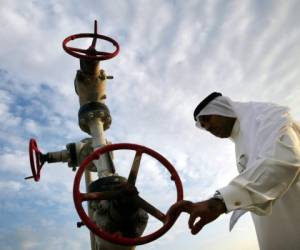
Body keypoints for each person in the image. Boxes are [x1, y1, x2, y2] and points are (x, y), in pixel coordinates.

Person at [168, 92, 300, 250]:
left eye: (208, 119)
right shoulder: (240, 141)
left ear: (222, 108)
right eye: (203, 126)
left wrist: (218, 203)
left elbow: (286, 158)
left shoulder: (264, 115)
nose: (208, 128)